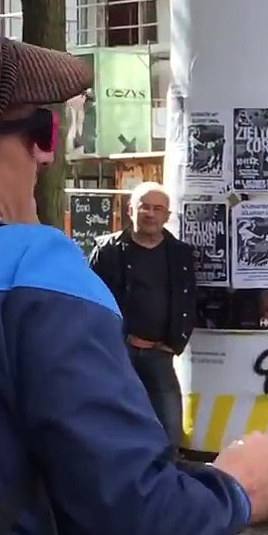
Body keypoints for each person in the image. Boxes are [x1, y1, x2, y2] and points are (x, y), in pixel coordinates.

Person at [0, 6, 268, 535]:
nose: (49, 156)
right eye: (47, 131)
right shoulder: (32, 270)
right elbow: (142, 519)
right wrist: (236, 487)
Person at [89, 182, 197, 455]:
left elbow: (189, 299)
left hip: (160, 353)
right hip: (118, 353)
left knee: (170, 429)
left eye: (157, 208)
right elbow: (89, 301)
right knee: (113, 425)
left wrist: (176, 342)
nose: (150, 213)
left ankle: (168, 487)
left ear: (167, 215)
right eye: (144, 207)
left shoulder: (180, 254)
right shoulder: (108, 250)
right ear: (130, 210)